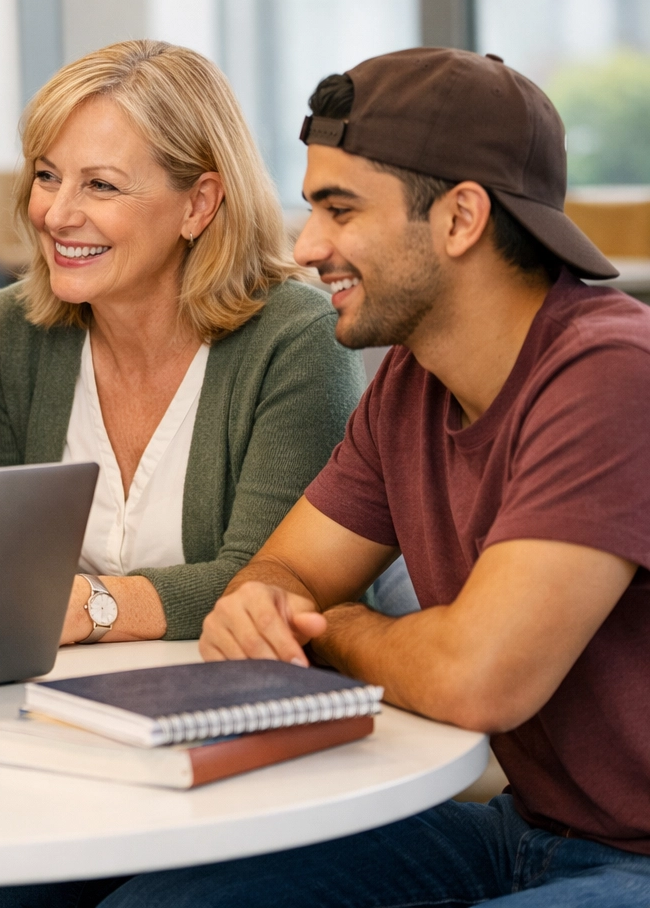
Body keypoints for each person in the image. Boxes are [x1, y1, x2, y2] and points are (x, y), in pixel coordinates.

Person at [97, 48, 650, 906]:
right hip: (530, 831)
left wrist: (335, 629)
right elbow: (275, 579)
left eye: (339, 209)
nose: (307, 245)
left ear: (462, 217)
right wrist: (276, 604)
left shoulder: (611, 377)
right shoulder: (411, 382)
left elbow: (477, 677)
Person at [0, 40, 363, 648]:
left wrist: (92, 606)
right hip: (46, 704)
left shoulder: (297, 339)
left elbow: (271, 588)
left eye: (101, 186)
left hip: (222, 703)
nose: (56, 214)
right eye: (48, 176)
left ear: (198, 205)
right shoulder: (15, 329)